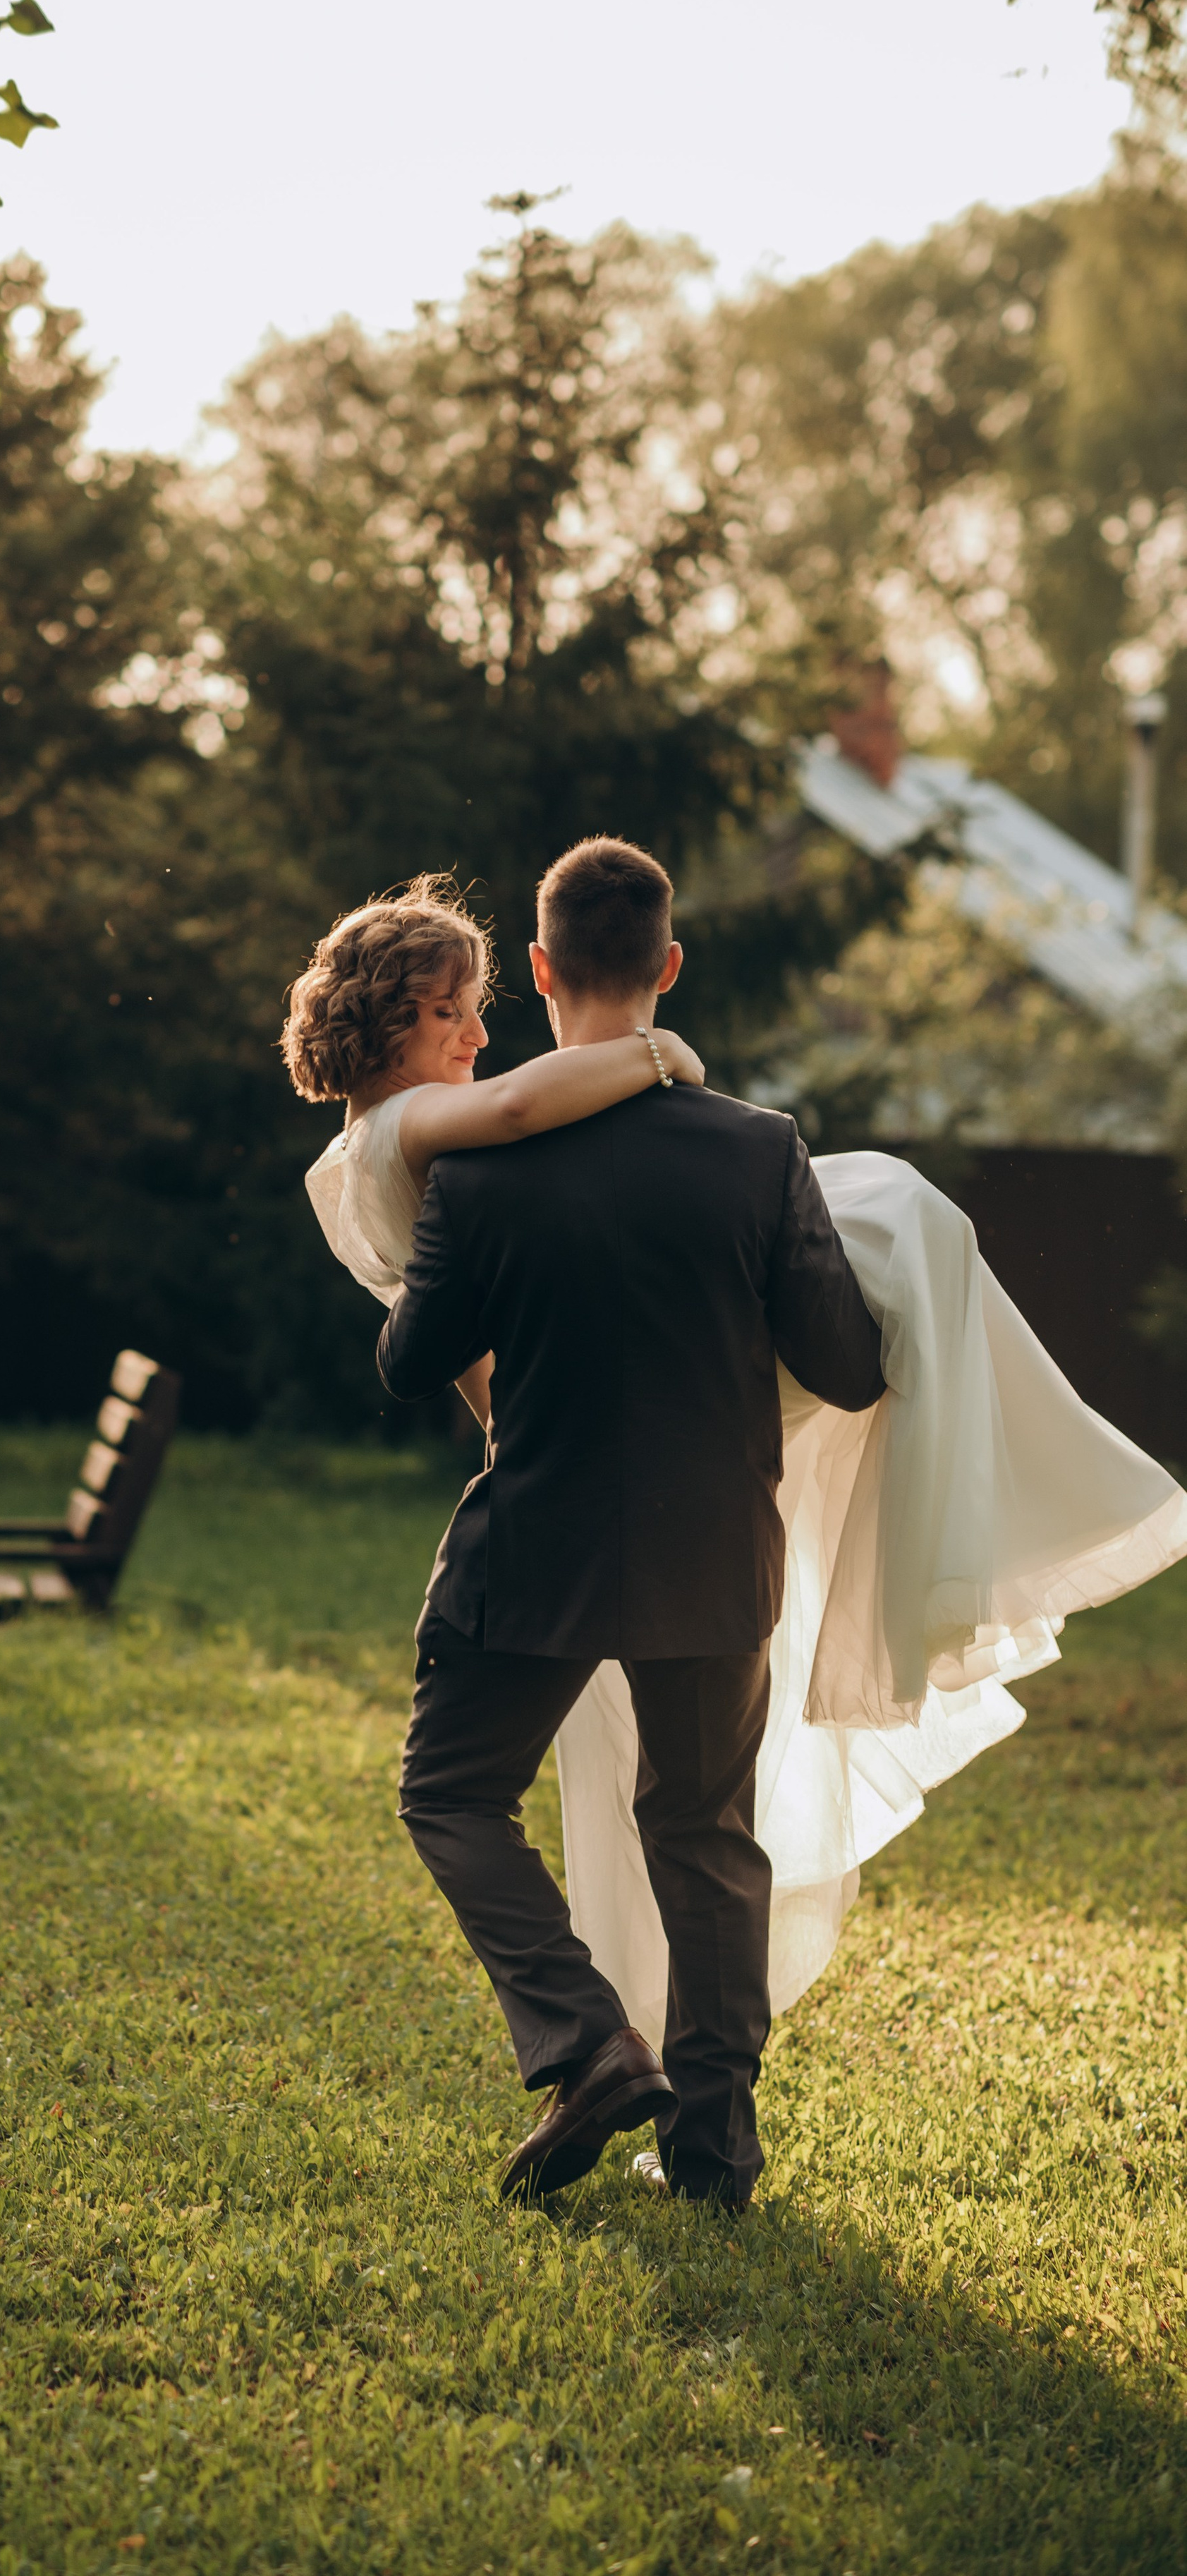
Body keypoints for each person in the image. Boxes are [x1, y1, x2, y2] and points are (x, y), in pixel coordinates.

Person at [287, 846, 1187, 2211]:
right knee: (703, 1834)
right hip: (714, 1545)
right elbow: (846, 1366)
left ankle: (590, 2042)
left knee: (451, 1791)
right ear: (670, 964)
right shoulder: (760, 1152)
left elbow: (417, 1362)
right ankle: (712, 2157)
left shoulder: (480, 1167)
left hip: (536, 1538)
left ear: (537, 973)